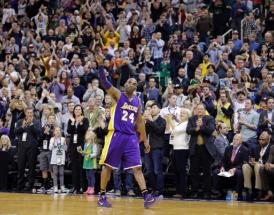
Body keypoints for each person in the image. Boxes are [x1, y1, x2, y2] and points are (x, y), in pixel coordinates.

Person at [96, 55, 160, 208]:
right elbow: (104, 82)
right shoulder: (118, 95)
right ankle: (102, 196)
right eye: (130, 81)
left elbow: (139, 122)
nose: (132, 83)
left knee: (137, 167)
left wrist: (145, 140)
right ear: (124, 85)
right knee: (108, 166)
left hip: (131, 137)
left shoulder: (137, 101)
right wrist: (100, 66)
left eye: (134, 82)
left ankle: (147, 197)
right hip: (116, 135)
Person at [186, 103, 216, 199]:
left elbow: (211, 130)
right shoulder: (192, 119)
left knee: (207, 171)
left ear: (204, 110)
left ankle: (206, 191)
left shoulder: (209, 118)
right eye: (198, 109)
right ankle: (195, 190)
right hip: (195, 148)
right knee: (194, 171)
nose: (200, 110)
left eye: (201, 109)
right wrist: (196, 128)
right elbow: (188, 130)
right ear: (195, 110)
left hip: (206, 149)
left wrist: (202, 126)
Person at [15, 107, 41, 191]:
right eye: (28, 112)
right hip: (22, 147)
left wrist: (31, 125)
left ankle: (30, 185)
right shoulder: (20, 121)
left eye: (31, 112)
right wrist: (22, 127)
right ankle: (20, 185)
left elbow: (38, 133)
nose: (30, 114)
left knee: (31, 167)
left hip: (32, 147)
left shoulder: (36, 122)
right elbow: (15, 131)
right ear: (25, 113)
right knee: (21, 166)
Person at [167, 108, 191, 198]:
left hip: (183, 149)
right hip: (175, 149)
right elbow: (171, 130)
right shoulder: (178, 123)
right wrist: (169, 120)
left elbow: (175, 130)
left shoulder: (187, 124)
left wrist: (170, 120)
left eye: (184, 113)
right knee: (176, 170)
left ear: (188, 115)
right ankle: (178, 191)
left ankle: (183, 192)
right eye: (181, 113)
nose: (181, 114)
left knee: (181, 171)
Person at [67, 105, 89, 194]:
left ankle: (82, 187)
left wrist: (80, 123)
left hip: (81, 144)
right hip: (73, 145)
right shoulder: (71, 120)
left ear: (82, 110)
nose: (77, 110)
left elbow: (84, 130)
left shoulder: (85, 120)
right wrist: (73, 123)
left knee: (81, 166)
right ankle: (75, 186)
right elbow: (69, 131)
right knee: (74, 166)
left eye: (79, 109)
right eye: (76, 109)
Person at [49, 126, 67, 193]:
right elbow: (50, 148)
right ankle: (55, 186)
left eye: (59, 130)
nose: (58, 131)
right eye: (56, 130)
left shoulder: (63, 139)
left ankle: (62, 186)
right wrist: (53, 143)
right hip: (54, 159)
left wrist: (64, 144)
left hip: (61, 158)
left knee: (61, 173)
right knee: (55, 173)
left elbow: (65, 149)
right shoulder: (52, 139)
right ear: (54, 132)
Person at [80, 129, 98, 195]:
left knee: (91, 176)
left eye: (88, 134)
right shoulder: (85, 144)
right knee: (87, 176)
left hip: (91, 163)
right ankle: (89, 188)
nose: (86, 135)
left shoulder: (94, 145)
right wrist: (82, 153)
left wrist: (89, 155)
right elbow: (85, 153)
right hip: (86, 163)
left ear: (91, 136)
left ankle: (92, 188)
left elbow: (95, 153)